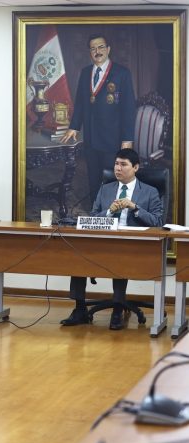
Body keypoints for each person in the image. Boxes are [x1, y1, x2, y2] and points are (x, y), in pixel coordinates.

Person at [60, 149, 164, 330]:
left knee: (120, 253)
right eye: (116, 164)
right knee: (78, 253)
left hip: (133, 245)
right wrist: (109, 211)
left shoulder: (150, 192)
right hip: (104, 241)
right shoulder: (105, 189)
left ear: (135, 167)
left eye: (123, 164)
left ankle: (118, 307)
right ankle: (80, 308)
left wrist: (135, 207)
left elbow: (158, 222)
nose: (118, 168)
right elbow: (93, 217)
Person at [60, 34, 136, 204]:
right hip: (91, 137)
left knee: (111, 176)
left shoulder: (122, 73)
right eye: (93, 48)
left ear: (108, 49)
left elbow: (129, 109)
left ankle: (111, 211)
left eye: (101, 47)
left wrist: (127, 139)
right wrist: (74, 126)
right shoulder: (85, 72)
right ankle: (96, 208)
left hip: (112, 138)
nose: (97, 51)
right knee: (93, 175)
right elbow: (80, 103)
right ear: (90, 52)